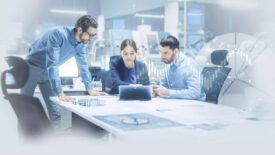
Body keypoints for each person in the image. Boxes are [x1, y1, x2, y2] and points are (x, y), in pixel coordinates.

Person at [21, 15, 108, 131]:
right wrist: (60, 92)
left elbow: (83, 66)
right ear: (80, 29)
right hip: (31, 68)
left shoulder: (81, 45)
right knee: (24, 110)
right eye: (90, 34)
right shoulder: (58, 34)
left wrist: (90, 89)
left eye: (94, 35)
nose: (91, 38)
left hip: (47, 73)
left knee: (55, 112)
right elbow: (52, 64)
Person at [153, 35, 205, 100]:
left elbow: (195, 93)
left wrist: (168, 92)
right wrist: (156, 90)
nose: (162, 56)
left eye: (165, 53)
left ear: (176, 51)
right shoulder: (168, 65)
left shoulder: (190, 65)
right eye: (161, 52)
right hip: (176, 104)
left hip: (194, 105)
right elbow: (164, 87)